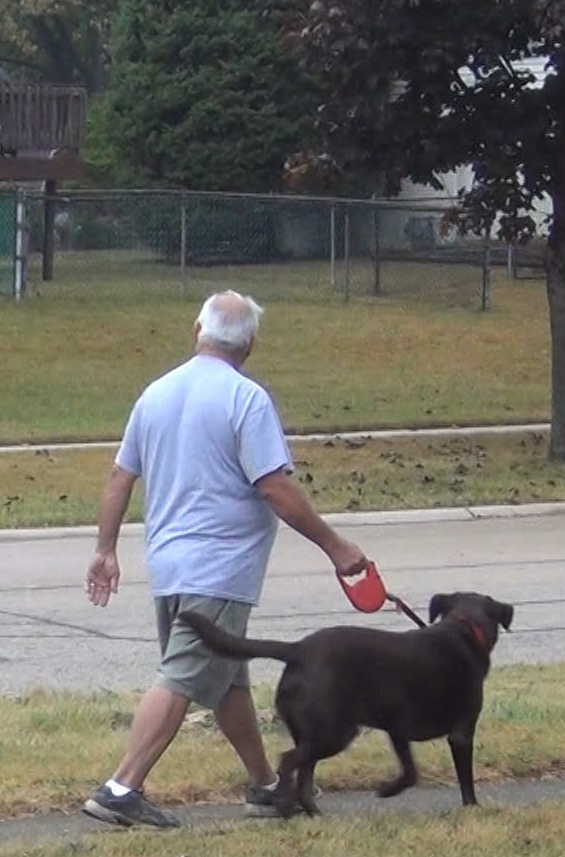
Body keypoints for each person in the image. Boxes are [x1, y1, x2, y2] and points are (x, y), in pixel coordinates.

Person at [81, 290, 369, 828]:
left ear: (197, 329)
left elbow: (121, 477)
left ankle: (266, 787)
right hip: (219, 570)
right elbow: (276, 489)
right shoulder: (246, 399)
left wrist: (105, 550)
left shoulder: (157, 393)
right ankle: (122, 787)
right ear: (251, 344)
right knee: (184, 677)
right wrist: (337, 546)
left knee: (226, 677)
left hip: (170, 565)